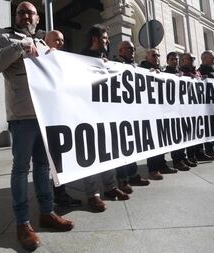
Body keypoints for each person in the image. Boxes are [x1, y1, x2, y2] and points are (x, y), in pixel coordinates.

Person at [0, 2, 74, 250]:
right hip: (21, 118)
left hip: (46, 117)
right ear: (16, 17)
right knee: (21, 170)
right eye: (20, 12)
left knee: (43, 167)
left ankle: (47, 212)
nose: (24, 16)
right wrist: (20, 45)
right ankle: (22, 223)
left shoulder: (45, 44)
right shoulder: (5, 38)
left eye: (29, 12)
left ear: (37, 18)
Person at [80, 24, 129, 213]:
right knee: (90, 154)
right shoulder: (81, 58)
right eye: (105, 38)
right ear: (95, 39)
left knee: (108, 150)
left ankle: (110, 187)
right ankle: (93, 194)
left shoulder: (105, 59)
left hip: (105, 113)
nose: (108, 41)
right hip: (88, 114)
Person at [44, 30, 82, 208]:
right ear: (46, 41)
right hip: (44, 117)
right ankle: (47, 199)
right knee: (44, 163)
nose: (60, 43)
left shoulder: (64, 60)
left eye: (62, 40)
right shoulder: (39, 55)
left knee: (60, 160)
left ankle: (60, 194)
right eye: (56, 40)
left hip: (62, 116)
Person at [114, 40, 150, 192]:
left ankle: (133, 174)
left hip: (134, 113)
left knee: (132, 146)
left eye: (134, 48)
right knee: (122, 148)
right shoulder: (114, 64)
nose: (133, 51)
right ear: (121, 51)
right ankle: (122, 179)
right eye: (129, 49)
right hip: (120, 113)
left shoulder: (136, 66)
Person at [139, 49, 178, 180]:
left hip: (162, 110)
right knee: (154, 141)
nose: (157, 57)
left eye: (158, 55)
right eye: (154, 55)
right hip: (150, 111)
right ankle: (153, 169)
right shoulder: (142, 69)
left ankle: (162, 165)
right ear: (146, 57)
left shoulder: (160, 70)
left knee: (162, 140)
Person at [179, 53, 214, 164]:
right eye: (189, 59)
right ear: (182, 61)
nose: (192, 61)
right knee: (188, 134)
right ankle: (188, 156)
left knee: (198, 132)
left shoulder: (197, 72)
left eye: (193, 59)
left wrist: (202, 79)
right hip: (186, 109)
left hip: (198, 109)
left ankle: (198, 153)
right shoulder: (180, 72)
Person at [163, 52, 194, 172]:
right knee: (176, 136)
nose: (174, 61)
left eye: (176, 59)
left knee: (183, 135)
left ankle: (182, 157)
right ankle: (177, 160)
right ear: (167, 61)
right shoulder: (164, 73)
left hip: (182, 110)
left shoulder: (181, 73)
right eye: (172, 59)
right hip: (171, 110)